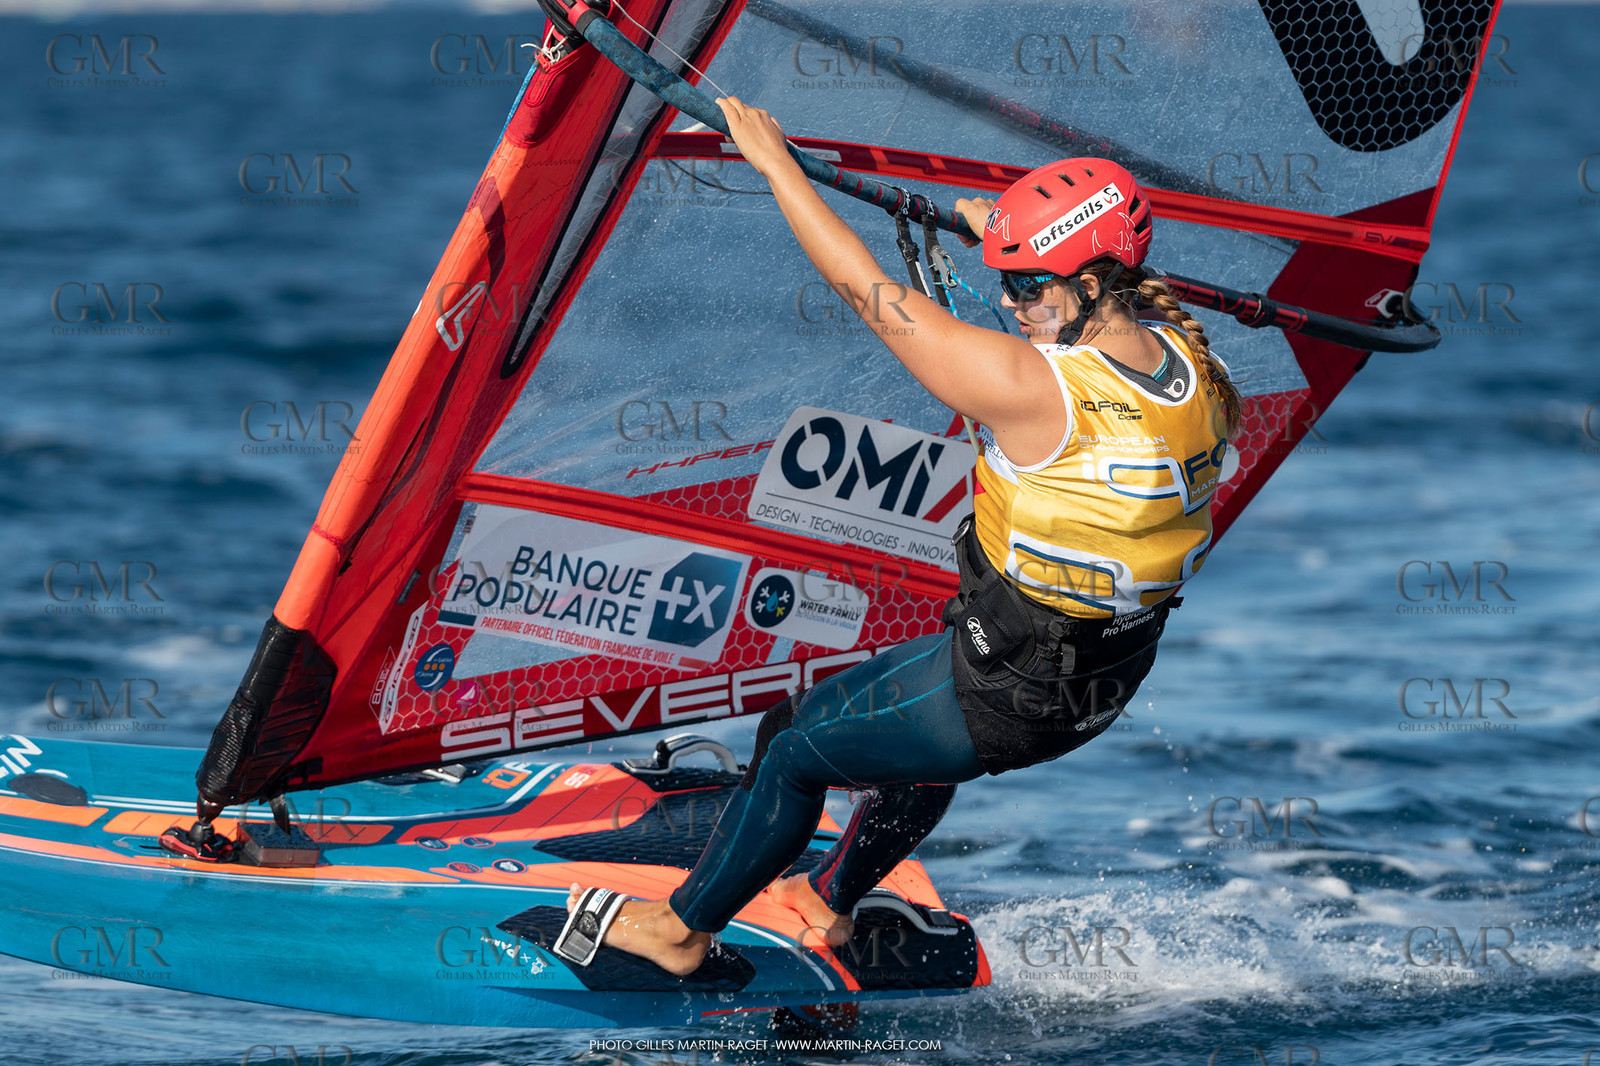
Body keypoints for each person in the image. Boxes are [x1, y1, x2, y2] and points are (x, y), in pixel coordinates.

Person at [554, 97, 1242, 976]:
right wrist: (994, 231)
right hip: (1099, 677)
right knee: (865, 727)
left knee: (794, 753)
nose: (1009, 301)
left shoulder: (1032, 387)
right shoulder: (1196, 364)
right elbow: (1076, 347)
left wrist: (779, 171)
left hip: (1012, 686)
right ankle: (826, 901)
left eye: (1028, 287)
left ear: (1094, 284)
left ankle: (680, 932)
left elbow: (868, 293)